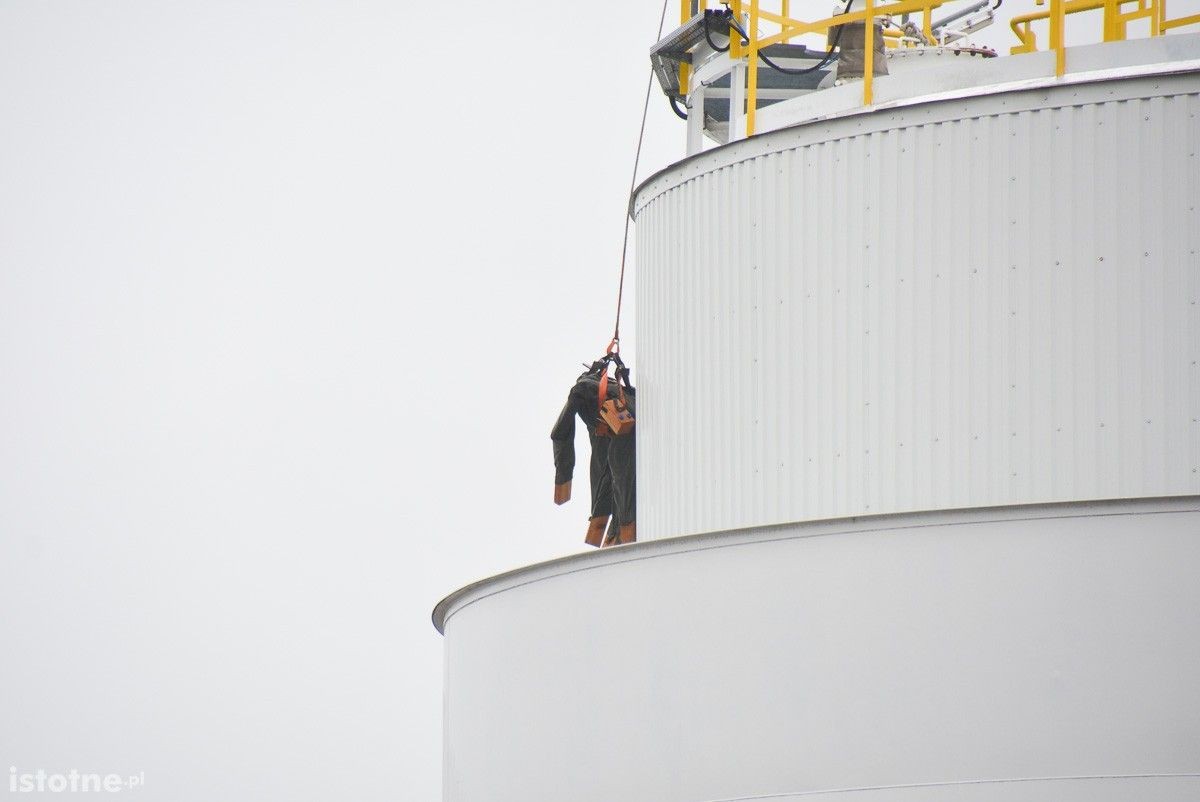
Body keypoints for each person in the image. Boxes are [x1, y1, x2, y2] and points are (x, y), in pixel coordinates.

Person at [550, 357, 636, 547]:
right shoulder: (593, 393)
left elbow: (559, 433)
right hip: (627, 427)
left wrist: (563, 481)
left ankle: (624, 532)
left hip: (625, 427)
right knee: (614, 469)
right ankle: (621, 530)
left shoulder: (583, 392)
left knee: (618, 471)